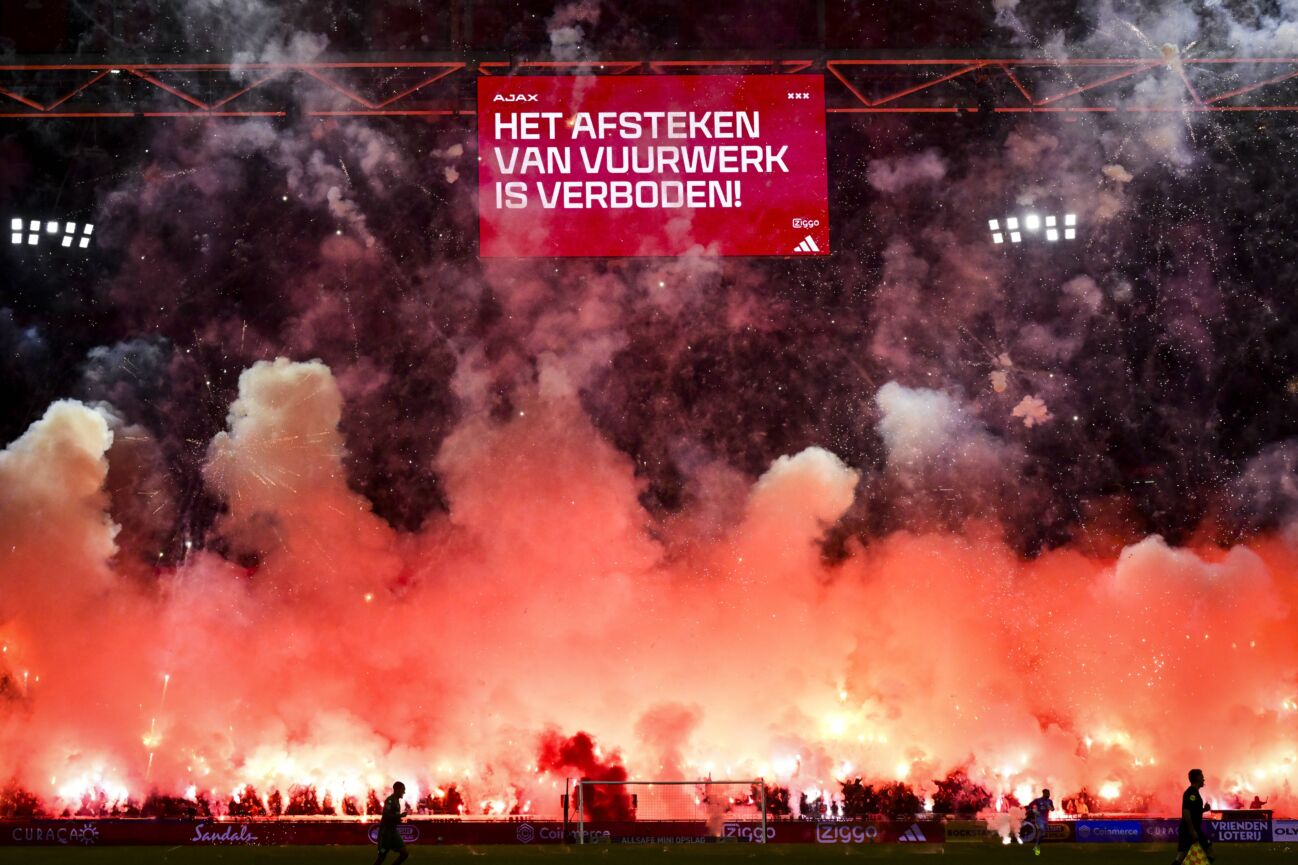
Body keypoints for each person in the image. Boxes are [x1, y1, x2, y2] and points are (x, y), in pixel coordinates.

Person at [1173, 769, 1213, 865]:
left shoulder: (1195, 793)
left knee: (1209, 853)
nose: (1204, 779)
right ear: (1197, 778)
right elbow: (1186, 812)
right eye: (1202, 776)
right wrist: (1191, 830)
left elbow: (1193, 811)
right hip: (1189, 830)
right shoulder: (1191, 793)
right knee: (1182, 855)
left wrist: (1204, 809)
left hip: (1194, 829)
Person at [373, 781, 409, 865]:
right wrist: (399, 816)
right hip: (385, 833)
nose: (404, 792)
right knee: (382, 857)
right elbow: (386, 815)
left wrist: (398, 820)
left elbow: (392, 816)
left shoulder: (397, 801)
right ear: (397, 790)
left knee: (404, 854)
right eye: (403, 789)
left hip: (393, 832)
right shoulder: (390, 800)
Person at [1025, 788, 1053, 856]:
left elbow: (1052, 809)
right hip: (1039, 818)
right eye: (1047, 793)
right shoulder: (1038, 800)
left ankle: (1036, 846)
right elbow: (1029, 805)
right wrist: (1034, 811)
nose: (1048, 794)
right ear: (1044, 793)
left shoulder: (1050, 801)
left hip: (1045, 819)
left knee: (1043, 834)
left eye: (1049, 793)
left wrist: (1050, 807)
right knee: (1042, 830)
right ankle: (1037, 847)